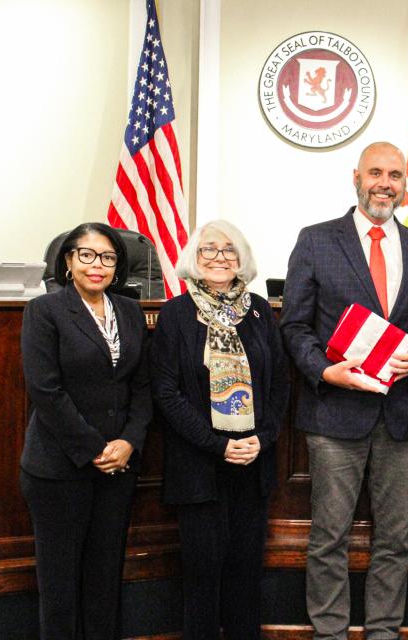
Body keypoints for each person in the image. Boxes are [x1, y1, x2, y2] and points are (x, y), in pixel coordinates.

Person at [280, 141, 408, 640]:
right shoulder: (316, 240)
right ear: (356, 177)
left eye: (395, 175)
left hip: (403, 419)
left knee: (395, 541)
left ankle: (383, 632)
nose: (385, 183)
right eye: (376, 172)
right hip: (335, 415)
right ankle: (329, 632)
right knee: (328, 538)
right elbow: (294, 327)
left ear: (404, 185)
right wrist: (325, 372)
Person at [149, 220, 288, 640]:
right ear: (195, 258)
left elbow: (279, 383)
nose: (219, 258)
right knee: (202, 575)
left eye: (229, 250)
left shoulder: (260, 311)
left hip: (252, 462)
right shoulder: (175, 313)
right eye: (209, 249)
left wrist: (261, 439)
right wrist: (218, 445)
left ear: (242, 260)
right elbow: (166, 392)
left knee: (246, 574)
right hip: (199, 466)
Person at [20, 222, 151, 640]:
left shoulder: (129, 310)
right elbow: (45, 390)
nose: (98, 265)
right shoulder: (45, 311)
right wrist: (96, 448)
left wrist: (129, 441)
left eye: (108, 257)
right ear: (68, 261)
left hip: (118, 468)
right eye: (87, 255)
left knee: (104, 581)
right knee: (60, 588)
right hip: (61, 468)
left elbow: (142, 387)